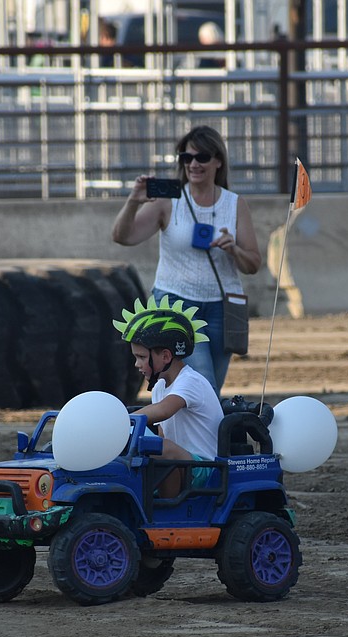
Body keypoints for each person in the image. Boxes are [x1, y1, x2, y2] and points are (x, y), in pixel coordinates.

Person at [111, 125, 261, 395]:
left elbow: (253, 264)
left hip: (221, 309)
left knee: (209, 390)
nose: (193, 164)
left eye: (201, 157)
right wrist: (133, 201)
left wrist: (234, 249)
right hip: (175, 304)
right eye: (186, 157)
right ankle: (201, 436)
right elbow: (123, 236)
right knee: (202, 384)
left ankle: (191, 436)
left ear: (218, 161)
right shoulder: (169, 200)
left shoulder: (234, 204)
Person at [112, 295, 223, 498]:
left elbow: (163, 411)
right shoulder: (160, 387)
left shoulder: (190, 381)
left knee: (163, 449)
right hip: (181, 464)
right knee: (149, 446)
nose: (137, 364)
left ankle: (166, 509)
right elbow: (163, 434)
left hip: (205, 468)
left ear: (165, 356)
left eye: (141, 357)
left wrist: (120, 420)